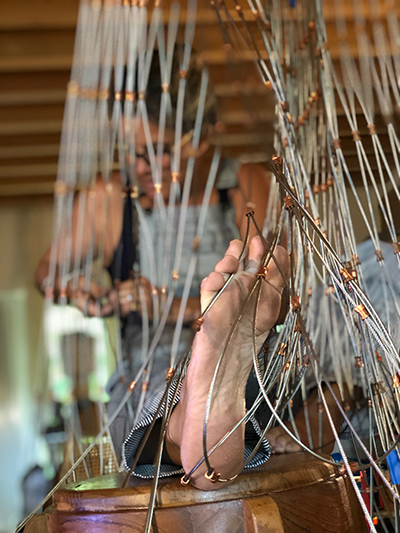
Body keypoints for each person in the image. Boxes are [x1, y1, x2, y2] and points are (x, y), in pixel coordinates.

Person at [35, 46, 271, 460]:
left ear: (200, 138)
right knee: (157, 400)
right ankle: (188, 425)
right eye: (131, 152)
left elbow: (274, 300)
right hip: (146, 382)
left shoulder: (244, 185)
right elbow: (47, 273)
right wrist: (79, 290)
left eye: (158, 151)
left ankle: (205, 418)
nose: (140, 167)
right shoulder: (110, 199)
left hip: (244, 371)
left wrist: (168, 306)